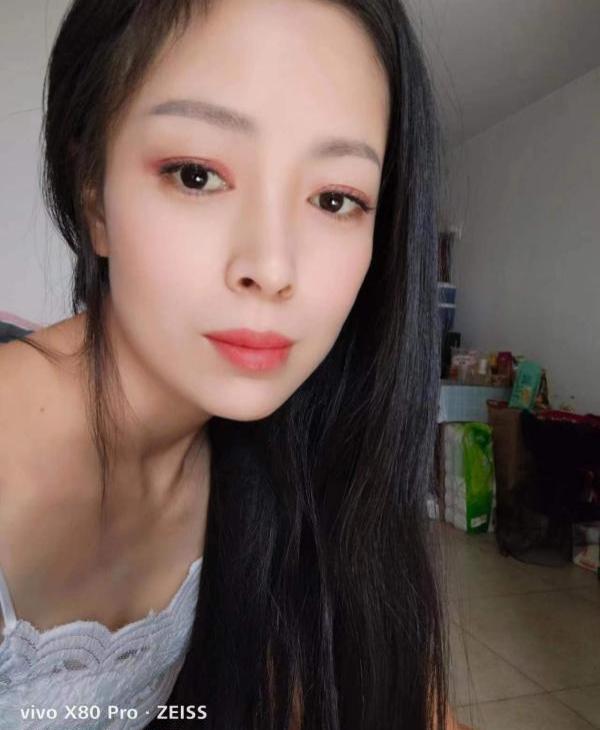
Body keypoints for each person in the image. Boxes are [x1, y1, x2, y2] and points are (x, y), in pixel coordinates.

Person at [0, 0, 469, 727]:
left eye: (335, 198)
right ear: (94, 195)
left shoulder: (293, 459)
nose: (272, 268)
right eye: (196, 175)